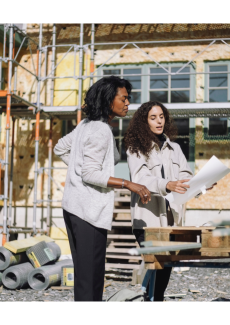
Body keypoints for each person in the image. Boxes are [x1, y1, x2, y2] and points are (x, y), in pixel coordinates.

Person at [54, 76, 151, 301]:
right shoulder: (100, 130)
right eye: (124, 99)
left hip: (73, 208)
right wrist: (128, 184)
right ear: (109, 100)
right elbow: (90, 173)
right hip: (88, 212)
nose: (128, 104)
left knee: (85, 278)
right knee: (92, 280)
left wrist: (77, 170)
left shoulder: (87, 125)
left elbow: (61, 148)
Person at [124, 101, 216, 301]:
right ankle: (146, 300)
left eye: (161, 116)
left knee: (165, 270)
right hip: (148, 221)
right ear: (144, 121)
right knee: (155, 264)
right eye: (153, 117)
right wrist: (168, 184)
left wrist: (201, 185)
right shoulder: (135, 148)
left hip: (172, 222)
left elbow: (184, 180)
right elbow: (140, 179)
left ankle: (155, 302)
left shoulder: (175, 149)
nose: (159, 121)